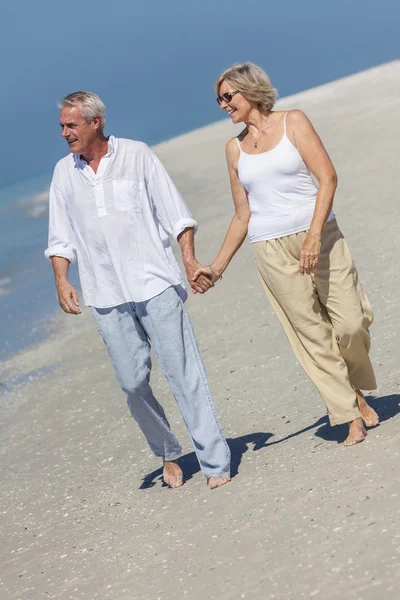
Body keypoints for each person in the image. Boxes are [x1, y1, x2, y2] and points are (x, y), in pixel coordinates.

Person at [45, 91, 231, 488]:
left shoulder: (137, 154)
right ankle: (167, 449)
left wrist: (190, 260)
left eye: (71, 125)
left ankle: (215, 464)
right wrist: (62, 279)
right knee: (132, 383)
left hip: (154, 283)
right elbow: (60, 238)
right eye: (62, 125)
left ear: (96, 122)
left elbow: (176, 213)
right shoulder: (64, 172)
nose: (64, 133)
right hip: (105, 293)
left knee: (184, 374)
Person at [194, 62, 379, 446]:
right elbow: (243, 215)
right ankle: (349, 413)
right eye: (219, 99)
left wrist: (313, 237)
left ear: (251, 91)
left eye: (228, 96)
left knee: (349, 324)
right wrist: (216, 267)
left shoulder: (293, 121)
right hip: (270, 248)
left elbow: (327, 177)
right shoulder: (234, 149)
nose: (223, 105)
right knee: (312, 334)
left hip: (321, 235)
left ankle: (355, 386)